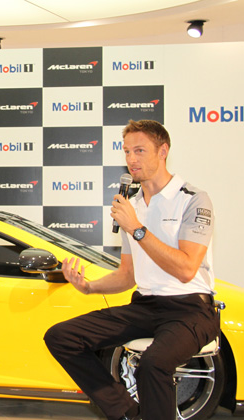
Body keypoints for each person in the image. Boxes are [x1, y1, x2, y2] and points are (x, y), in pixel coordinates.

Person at [44, 120, 219, 420]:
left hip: (191, 309)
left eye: (139, 150)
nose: (131, 159)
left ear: (163, 151)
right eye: (127, 151)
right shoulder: (133, 205)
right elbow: (128, 275)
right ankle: (127, 412)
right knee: (61, 336)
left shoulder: (193, 199)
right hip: (146, 306)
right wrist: (89, 287)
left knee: (153, 364)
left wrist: (137, 228)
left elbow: (186, 268)